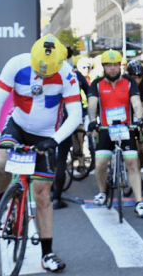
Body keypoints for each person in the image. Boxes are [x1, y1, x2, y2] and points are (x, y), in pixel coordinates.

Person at [0, 35, 82, 272]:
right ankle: (0, 204)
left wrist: (54, 140)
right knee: (2, 162)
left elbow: (75, 114)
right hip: (18, 126)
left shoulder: (67, 74)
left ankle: (47, 255)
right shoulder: (16, 64)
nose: (42, 76)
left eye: (48, 73)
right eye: (39, 71)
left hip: (47, 134)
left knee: (42, 194)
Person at [87, 50, 143, 219]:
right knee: (100, 164)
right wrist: (93, 120)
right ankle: (102, 192)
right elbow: (92, 105)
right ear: (104, 67)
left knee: (132, 163)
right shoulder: (97, 84)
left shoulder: (129, 82)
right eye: (109, 66)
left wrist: (140, 118)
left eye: (116, 65)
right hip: (106, 129)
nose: (113, 69)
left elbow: (136, 103)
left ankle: (139, 202)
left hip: (126, 128)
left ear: (120, 66)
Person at [52, 46, 90, 210]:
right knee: (61, 159)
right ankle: (57, 197)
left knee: (50, 158)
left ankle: (50, 191)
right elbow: (88, 91)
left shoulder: (48, 70)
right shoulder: (71, 73)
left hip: (49, 118)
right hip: (67, 117)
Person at [127, 60, 143, 192]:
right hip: (125, 116)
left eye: (139, 77)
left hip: (138, 116)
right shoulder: (123, 83)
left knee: (142, 150)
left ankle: (137, 172)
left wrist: (142, 120)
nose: (137, 79)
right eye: (134, 77)